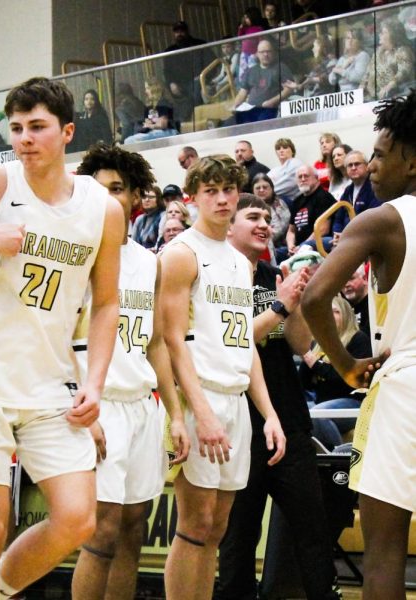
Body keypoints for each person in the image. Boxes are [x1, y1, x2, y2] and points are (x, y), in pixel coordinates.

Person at [0, 76, 122, 600]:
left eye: (38, 127)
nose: (25, 138)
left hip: (51, 382)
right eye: (17, 128)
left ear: (67, 131)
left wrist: (94, 383)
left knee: (77, 520)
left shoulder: (103, 208)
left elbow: (107, 302)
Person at [301, 90, 416, 599]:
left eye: (382, 153)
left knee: (385, 550)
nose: (370, 165)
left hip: (404, 386)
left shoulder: (383, 220)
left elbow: (314, 299)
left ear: (411, 161)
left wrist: (347, 365)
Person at [159, 156, 285, 600]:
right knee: (193, 528)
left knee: (217, 529)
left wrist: (268, 412)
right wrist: (200, 412)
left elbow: (244, 343)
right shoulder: (180, 255)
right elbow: (171, 340)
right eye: (210, 190)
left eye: (227, 189)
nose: (221, 198)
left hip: (236, 400)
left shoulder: (240, 262)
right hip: (201, 399)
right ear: (192, 197)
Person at [70, 142, 189, 600]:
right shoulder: (75, 256)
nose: (106, 198)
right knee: (99, 535)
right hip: (98, 407)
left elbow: (156, 342)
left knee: (132, 531)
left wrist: (175, 414)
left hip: (142, 407)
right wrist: (83, 405)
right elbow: (56, 339)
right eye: (96, 189)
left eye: (117, 189)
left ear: (137, 196)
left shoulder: (148, 262)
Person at [217, 194, 340, 600]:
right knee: (239, 537)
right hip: (239, 422)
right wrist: (282, 305)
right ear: (229, 225)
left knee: (313, 529)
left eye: (267, 218)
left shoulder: (273, 275)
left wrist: (298, 300)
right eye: (253, 216)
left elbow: (298, 342)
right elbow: (234, 342)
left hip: (288, 416)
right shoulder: (218, 279)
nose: (264, 224)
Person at [301, 295, 371, 449]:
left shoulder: (358, 340)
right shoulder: (318, 342)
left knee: (319, 414)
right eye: (326, 312)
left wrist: (317, 365)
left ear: (346, 315)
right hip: (323, 400)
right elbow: (305, 383)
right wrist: (305, 353)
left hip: (353, 401)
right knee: (299, 409)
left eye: (335, 311)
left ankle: (338, 456)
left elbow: (349, 381)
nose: (330, 316)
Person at [233, 38, 293, 123]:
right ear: (257, 54)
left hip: (271, 110)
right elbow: (242, 92)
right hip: (250, 110)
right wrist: (236, 106)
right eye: (262, 52)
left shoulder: (281, 67)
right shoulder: (251, 70)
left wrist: (272, 102)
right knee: (229, 123)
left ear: (273, 53)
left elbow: (289, 89)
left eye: (268, 51)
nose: (265, 54)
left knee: (259, 124)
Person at [332, 151, 380, 244]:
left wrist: (346, 236)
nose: (353, 168)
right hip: (344, 239)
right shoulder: (348, 191)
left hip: (366, 238)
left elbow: (372, 218)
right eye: (350, 165)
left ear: (367, 166)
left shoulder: (375, 187)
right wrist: (337, 233)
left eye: (357, 164)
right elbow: (338, 218)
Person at [286, 165, 336, 255]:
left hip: (318, 243)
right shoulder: (296, 201)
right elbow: (291, 230)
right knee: (275, 253)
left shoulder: (324, 197)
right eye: (300, 177)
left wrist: (302, 246)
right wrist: (291, 246)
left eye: (306, 176)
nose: (303, 179)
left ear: (316, 178)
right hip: (298, 247)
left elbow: (323, 229)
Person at [365, 19, 415, 101]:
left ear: (393, 35)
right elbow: (367, 75)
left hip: (398, 95)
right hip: (375, 97)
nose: (379, 34)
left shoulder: (403, 51)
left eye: (383, 32)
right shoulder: (378, 53)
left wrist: (390, 85)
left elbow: (404, 71)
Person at [163, 21, 210, 104]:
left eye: (182, 31)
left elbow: (210, 62)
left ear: (187, 32)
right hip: (180, 84)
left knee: (196, 88)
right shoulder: (169, 51)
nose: (179, 34)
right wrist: (171, 83)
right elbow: (167, 71)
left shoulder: (199, 44)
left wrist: (204, 77)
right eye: (177, 32)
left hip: (198, 81)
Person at [251, 173, 291, 254]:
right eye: (258, 188)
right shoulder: (250, 208)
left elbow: (280, 229)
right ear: (253, 191)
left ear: (272, 188)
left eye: (265, 187)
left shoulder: (279, 204)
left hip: (282, 246)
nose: (261, 190)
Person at [67, 89, 112, 153]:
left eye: (92, 99)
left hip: (96, 150)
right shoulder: (79, 117)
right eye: (86, 99)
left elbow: (107, 137)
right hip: (81, 150)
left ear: (96, 101)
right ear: (84, 101)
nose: (89, 101)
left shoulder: (101, 117)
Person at [328, 28, 371, 93]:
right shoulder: (342, 59)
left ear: (359, 42)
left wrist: (341, 71)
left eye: (353, 38)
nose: (350, 41)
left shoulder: (363, 56)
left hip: (358, 95)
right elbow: (332, 80)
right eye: (348, 38)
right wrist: (343, 66)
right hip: (344, 96)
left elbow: (359, 77)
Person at [267, 138, 305, 204]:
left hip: (296, 203)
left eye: (285, 147)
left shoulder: (296, 163)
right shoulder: (273, 170)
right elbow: (264, 184)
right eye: (278, 148)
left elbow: (288, 184)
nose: (281, 150)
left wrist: (268, 192)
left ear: (292, 151)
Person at [237, 7, 268, 82]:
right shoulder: (245, 29)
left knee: (253, 74)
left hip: (253, 55)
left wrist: (257, 54)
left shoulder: (258, 29)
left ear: (253, 17)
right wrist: (241, 28)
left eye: (247, 18)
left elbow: (261, 42)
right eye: (244, 18)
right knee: (243, 74)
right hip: (244, 55)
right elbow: (239, 38)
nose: (245, 20)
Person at [342, 264, 370, 337]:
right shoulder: (342, 306)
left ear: (364, 279)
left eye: (351, 278)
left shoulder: (374, 306)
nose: (346, 284)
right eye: (342, 280)